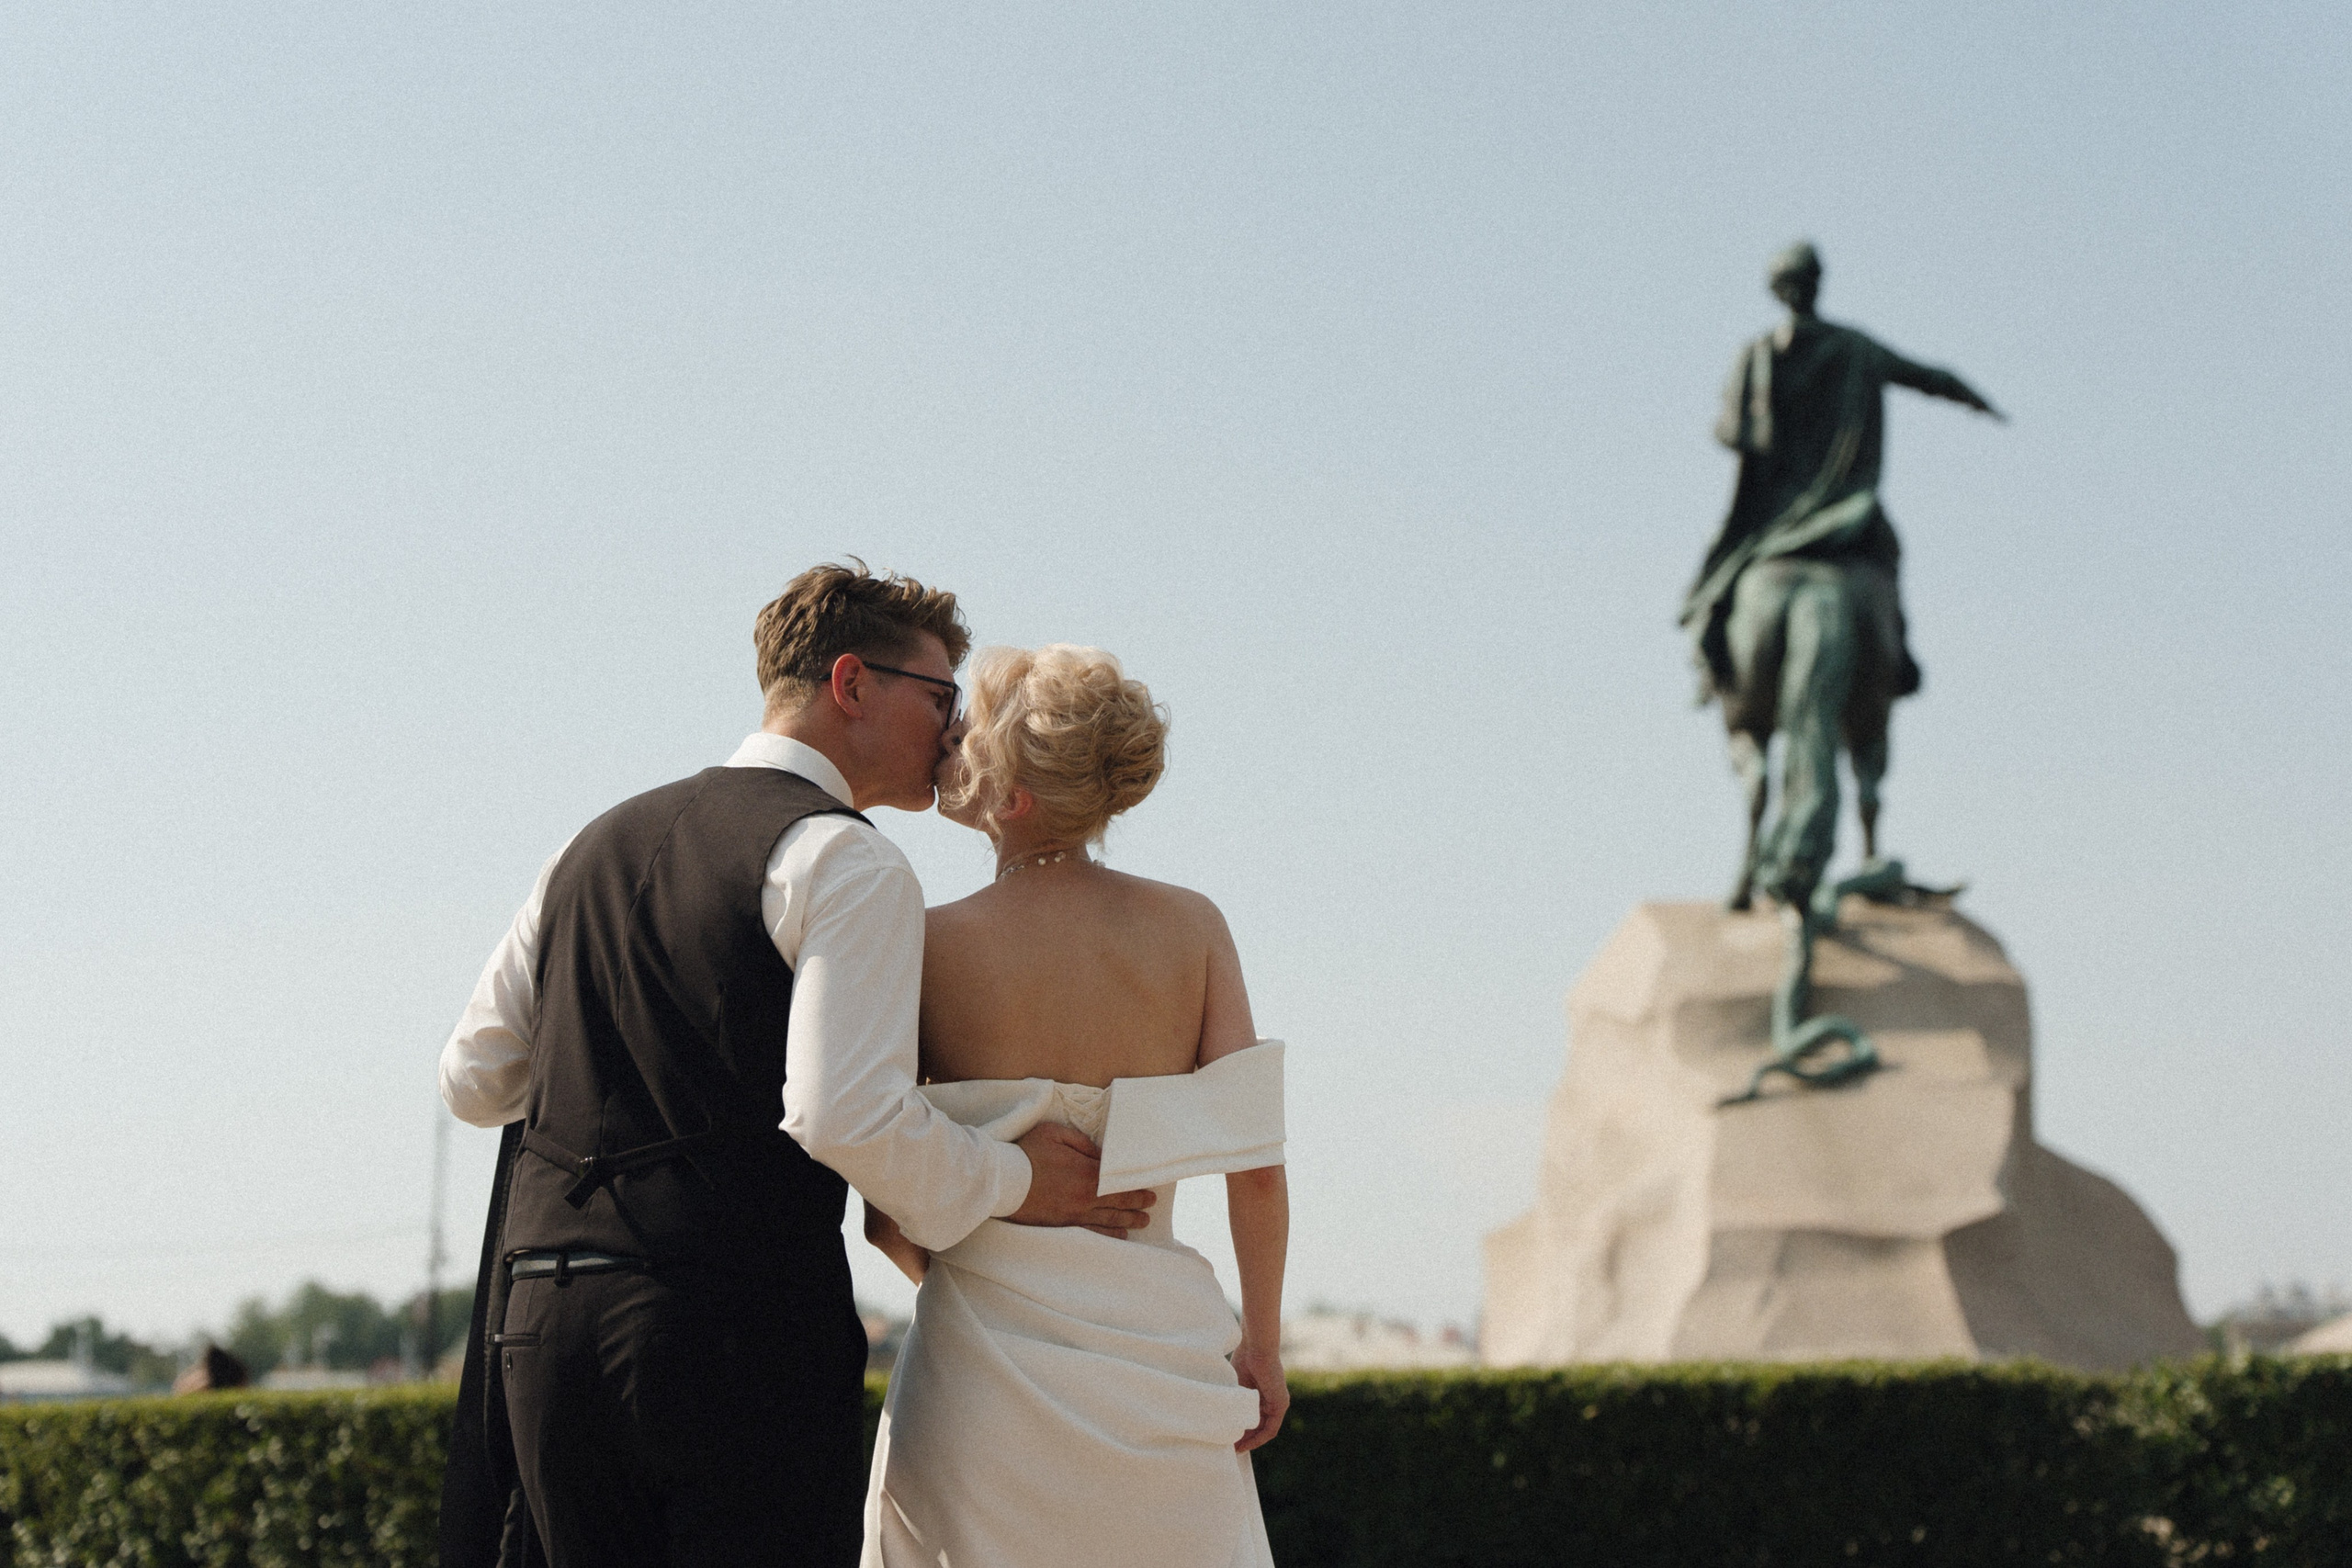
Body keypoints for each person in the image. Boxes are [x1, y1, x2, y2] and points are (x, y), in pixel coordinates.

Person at [435, 564, 1156, 1568]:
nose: (954, 732)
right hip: (730, 1338)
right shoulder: (844, 861)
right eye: (941, 698)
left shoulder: (585, 846)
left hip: (544, 1332)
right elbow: (844, 1115)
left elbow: (475, 1079)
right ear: (852, 684)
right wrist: (1020, 1177)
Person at [860, 644, 1289, 1568]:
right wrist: (1262, 1348)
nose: (949, 740)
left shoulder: (929, 944)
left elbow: (887, 1203)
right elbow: (1255, 1169)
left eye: (968, 727)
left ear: (1013, 797)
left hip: (979, 1378)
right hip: (1162, 1367)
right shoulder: (1194, 927)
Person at [1681, 241, 2004, 911]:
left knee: (1711, 608)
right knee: (1886, 581)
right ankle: (1897, 668)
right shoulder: (1855, 349)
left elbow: (1732, 435)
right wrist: (1971, 396)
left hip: (1774, 539)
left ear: (1778, 291)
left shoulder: (1759, 356)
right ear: (1816, 285)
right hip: (1845, 533)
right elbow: (1928, 376)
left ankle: (1714, 669)